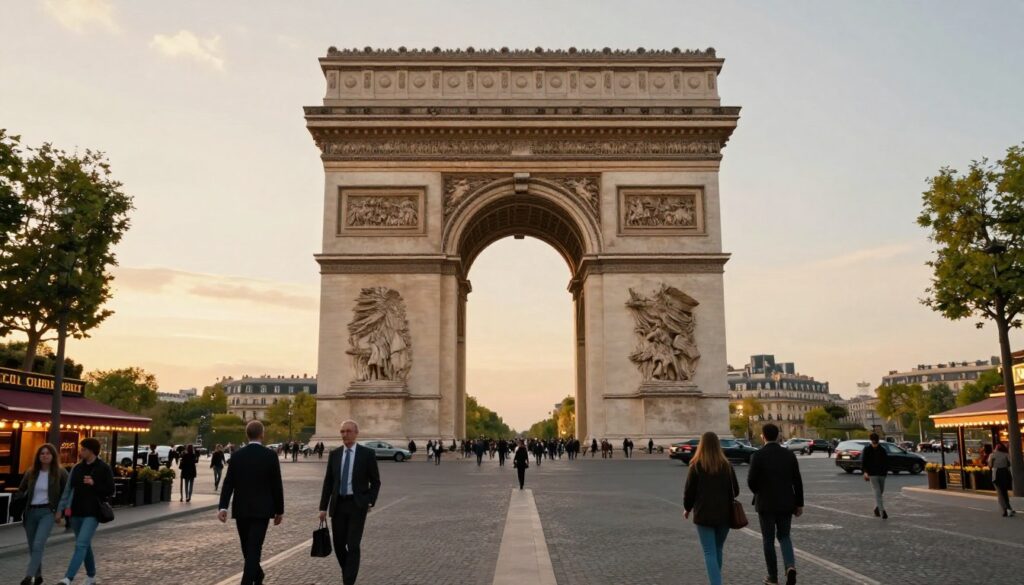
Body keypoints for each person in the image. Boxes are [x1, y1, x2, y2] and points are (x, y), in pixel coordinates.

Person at [217, 420, 284, 585]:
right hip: (263, 510)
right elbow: (277, 484)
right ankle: (258, 574)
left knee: (247, 547)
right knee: (253, 548)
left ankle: (247, 581)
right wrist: (279, 510)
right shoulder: (270, 456)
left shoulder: (237, 456)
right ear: (262, 434)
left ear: (247, 435)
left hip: (242, 509)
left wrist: (223, 506)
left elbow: (228, 483)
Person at [319, 420, 382, 585]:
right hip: (338, 505)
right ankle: (348, 572)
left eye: (348, 431)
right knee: (339, 545)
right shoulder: (335, 454)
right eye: (342, 431)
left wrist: (370, 500)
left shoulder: (367, 454)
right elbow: (328, 482)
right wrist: (322, 508)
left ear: (356, 433)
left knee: (353, 545)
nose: (345, 434)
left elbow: (376, 482)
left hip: (356, 505)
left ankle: (348, 581)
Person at [747, 423, 803, 585]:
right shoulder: (789, 455)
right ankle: (790, 566)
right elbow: (797, 481)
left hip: (765, 503)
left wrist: (759, 492)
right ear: (778, 436)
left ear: (763, 436)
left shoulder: (757, 455)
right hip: (786, 502)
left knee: (768, 539)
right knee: (785, 536)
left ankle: (773, 576)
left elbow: (751, 481)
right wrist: (799, 503)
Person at [55, 437, 115, 585]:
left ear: (91, 451)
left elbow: (110, 490)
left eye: (83, 449)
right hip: (75, 513)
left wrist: (94, 483)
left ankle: (68, 578)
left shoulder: (103, 468)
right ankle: (91, 576)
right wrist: (60, 509)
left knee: (81, 544)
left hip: (93, 512)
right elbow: (68, 490)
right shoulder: (77, 468)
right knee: (85, 544)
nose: (81, 452)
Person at [683, 432, 740, 585]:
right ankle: (716, 580)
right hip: (724, 514)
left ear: (701, 445)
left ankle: (716, 583)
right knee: (718, 549)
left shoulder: (696, 466)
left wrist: (687, 508)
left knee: (709, 552)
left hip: (704, 514)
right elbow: (736, 490)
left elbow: (689, 492)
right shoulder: (727, 465)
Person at [16, 443, 69, 585]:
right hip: (31, 512)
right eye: (42, 453)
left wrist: (61, 512)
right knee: (33, 546)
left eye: (48, 453)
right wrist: (20, 501)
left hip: (48, 512)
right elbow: (21, 490)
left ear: (53, 456)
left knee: (39, 544)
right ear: (38, 456)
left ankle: (29, 576)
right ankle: (38, 576)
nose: (45, 456)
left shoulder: (60, 472)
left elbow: (68, 492)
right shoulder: (31, 472)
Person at [861, 433, 889, 519]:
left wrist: (885, 472)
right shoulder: (867, 449)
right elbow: (864, 461)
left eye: (875, 441)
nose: (874, 442)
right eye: (873, 441)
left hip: (882, 474)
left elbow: (886, 462)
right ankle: (882, 511)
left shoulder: (882, 450)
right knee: (877, 492)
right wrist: (865, 472)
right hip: (872, 474)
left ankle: (876, 509)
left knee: (880, 492)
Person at [990, 443, 1015, 517]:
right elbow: (1010, 463)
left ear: (996, 448)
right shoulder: (1006, 454)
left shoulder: (992, 455)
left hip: (996, 474)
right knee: (1004, 492)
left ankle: (1006, 509)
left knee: (1000, 493)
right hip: (1005, 473)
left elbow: (990, 464)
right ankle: (1009, 507)